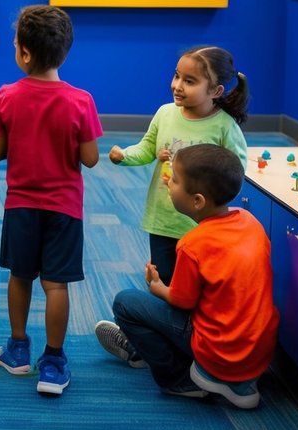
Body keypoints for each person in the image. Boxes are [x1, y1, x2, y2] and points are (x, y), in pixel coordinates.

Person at [95, 144, 278, 409]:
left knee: (125, 303)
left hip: (219, 353)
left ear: (197, 201)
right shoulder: (250, 222)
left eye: (175, 180)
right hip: (257, 353)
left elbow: (182, 301)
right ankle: (241, 382)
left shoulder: (192, 244)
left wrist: (157, 286)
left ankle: (179, 379)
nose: (169, 183)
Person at [0, 5, 101, 396]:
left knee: (20, 277)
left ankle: (18, 349)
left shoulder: (6, 96)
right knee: (56, 286)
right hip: (64, 209)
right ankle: (53, 362)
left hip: (20, 206)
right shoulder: (81, 101)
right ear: (64, 52)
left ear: (23, 53)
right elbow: (89, 158)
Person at [105, 46, 249, 291]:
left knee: (196, 286)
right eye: (176, 76)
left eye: (189, 81)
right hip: (163, 217)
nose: (178, 85)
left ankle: (192, 329)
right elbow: (148, 148)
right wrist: (124, 156)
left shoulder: (224, 125)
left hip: (203, 224)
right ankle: (163, 327)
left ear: (215, 91)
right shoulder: (165, 114)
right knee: (163, 282)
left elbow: (236, 169)